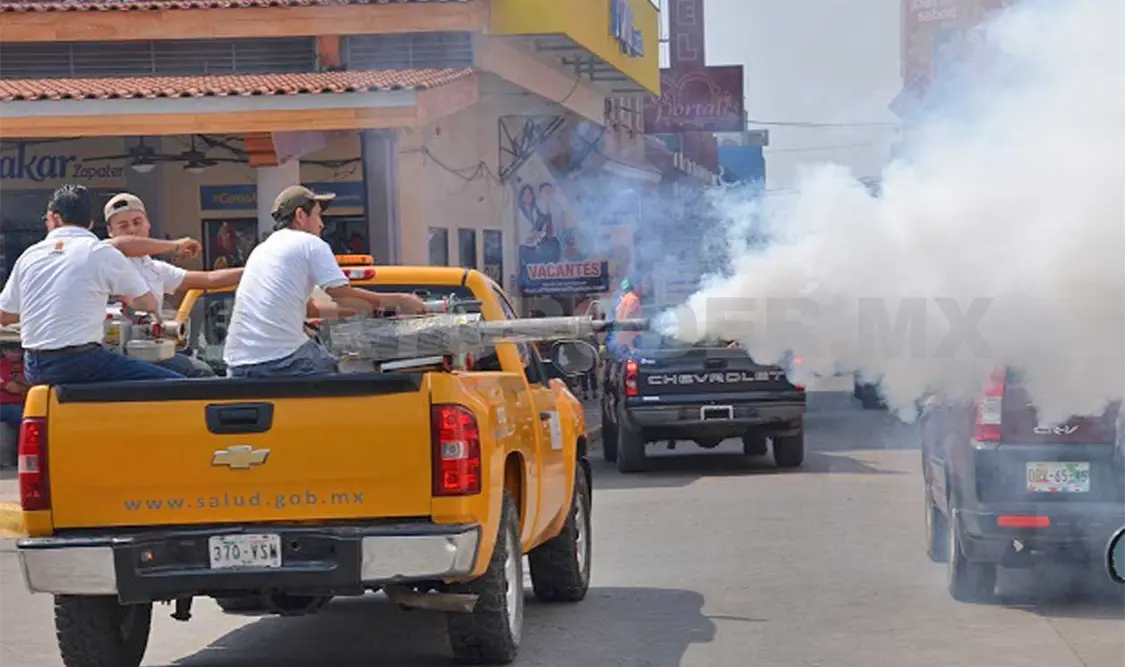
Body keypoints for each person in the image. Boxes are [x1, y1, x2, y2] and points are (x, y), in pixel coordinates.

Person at [222, 185, 427, 379]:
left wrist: (366, 311)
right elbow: (343, 295)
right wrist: (401, 300)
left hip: (238, 365)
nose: (322, 224)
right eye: (318, 215)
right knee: (354, 370)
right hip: (283, 362)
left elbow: (311, 310)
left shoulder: (261, 250)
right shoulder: (311, 244)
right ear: (300, 216)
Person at [0, 185, 192, 385]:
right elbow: (148, 304)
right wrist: (125, 299)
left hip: (34, 366)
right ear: (90, 224)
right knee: (179, 386)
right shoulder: (100, 252)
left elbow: (5, 315)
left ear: (54, 218)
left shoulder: (30, 255)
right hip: (82, 363)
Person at [103, 192, 243, 377]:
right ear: (110, 232)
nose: (132, 230)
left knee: (202, 373)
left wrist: (256, 268)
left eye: (137, 222)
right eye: (123, 226)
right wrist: (175, 245)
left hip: (149, 352)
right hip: (113, 357)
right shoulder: (102, 257)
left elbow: (209, 279)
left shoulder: (156, 269)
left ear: (148, 224)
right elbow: (120, 245)